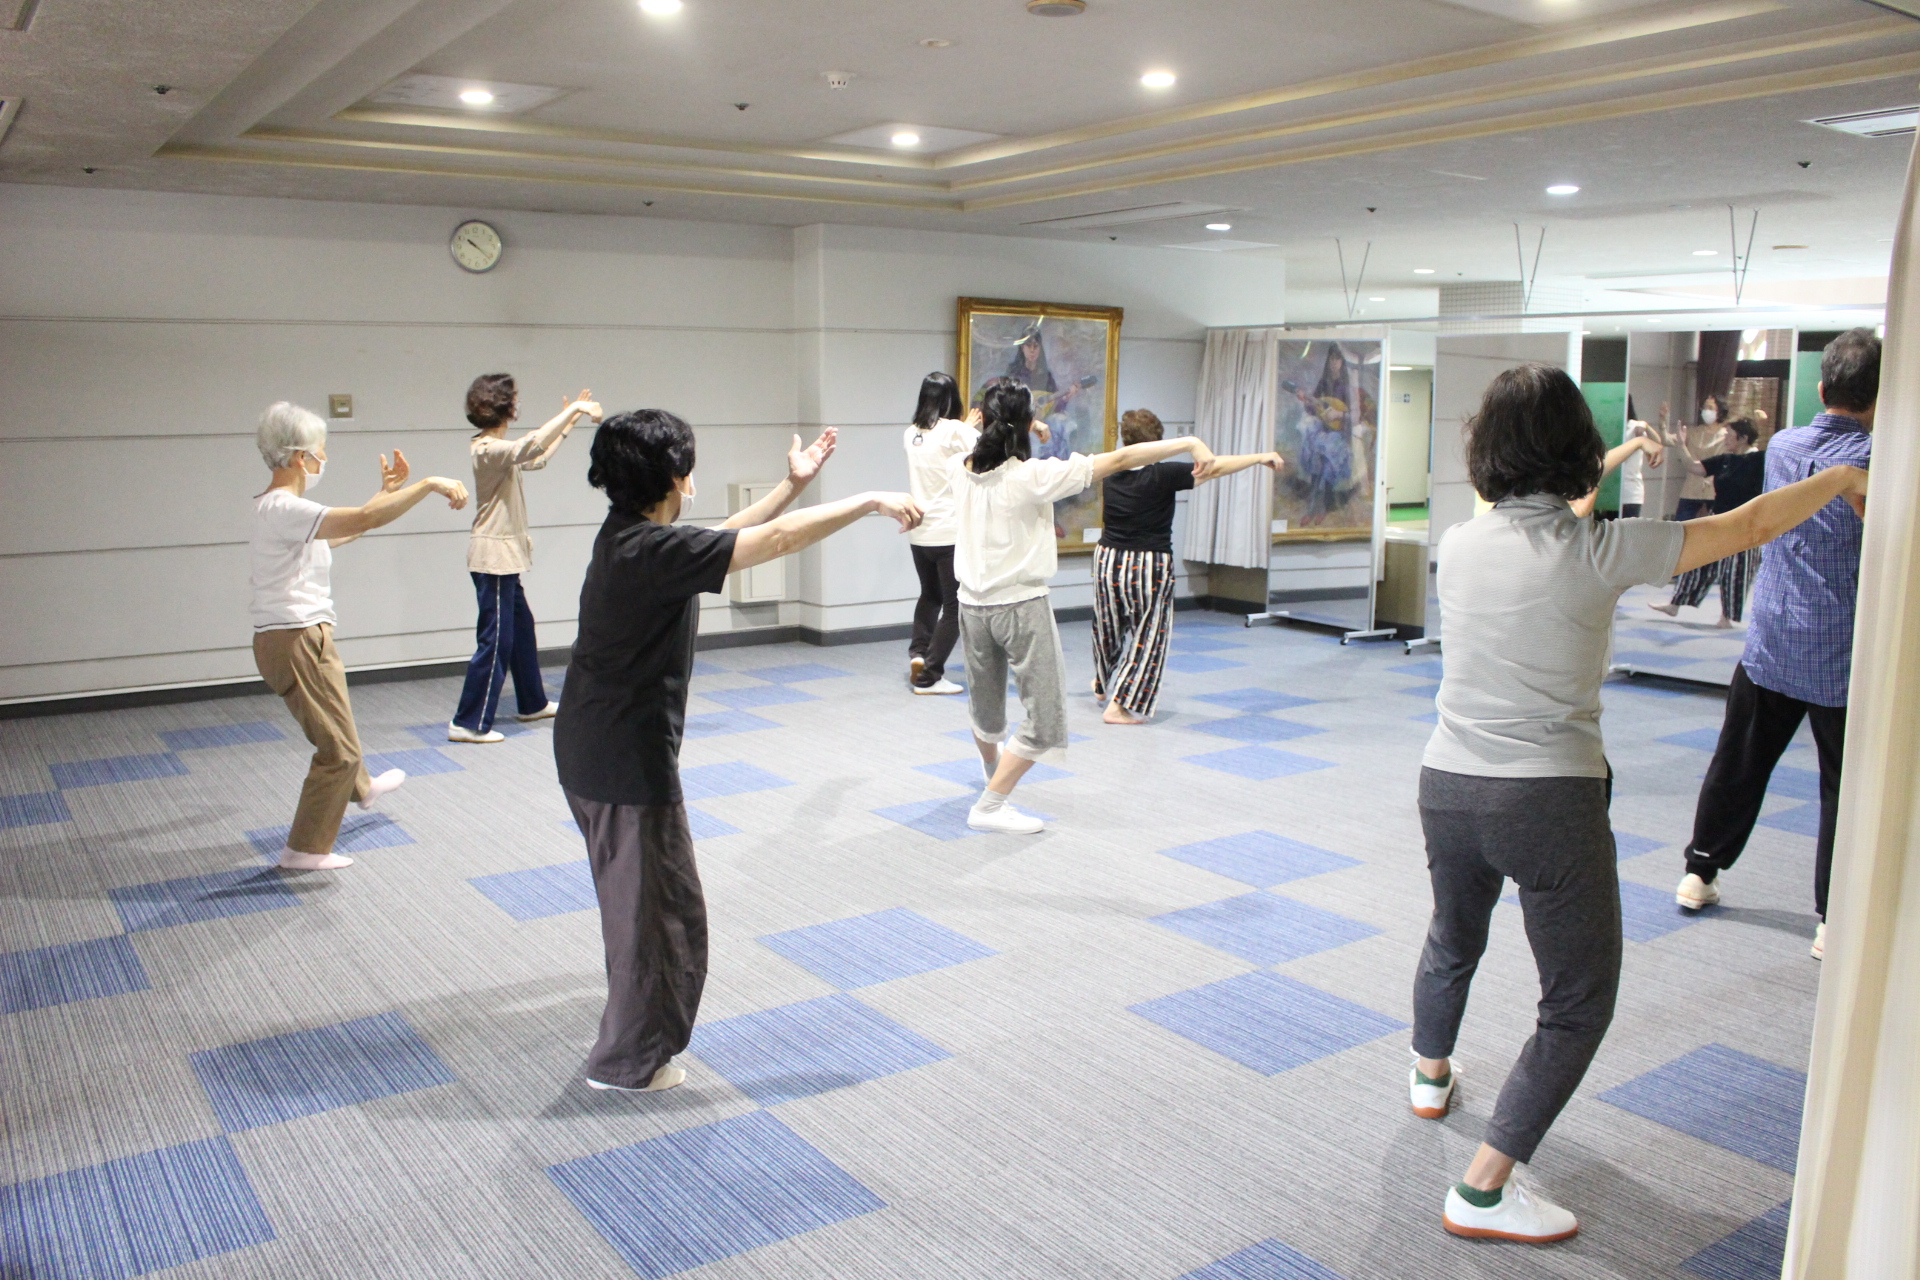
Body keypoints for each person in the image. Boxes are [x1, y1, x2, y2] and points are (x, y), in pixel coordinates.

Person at [1408, 364, 1867, 1243]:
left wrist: (1614, 458)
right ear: (1576, 448)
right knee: (1578, 1002)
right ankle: (1483, 1189)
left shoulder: (1461, 542)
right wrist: (1843, 476)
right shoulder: (1599, 550)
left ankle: (1430, 1075)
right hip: (1547, 802)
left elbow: (1553, 509)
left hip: (1446, 786)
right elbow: (1751, 524)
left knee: (1452, 936)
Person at [552, 412, 917, 1092]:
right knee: (657, 916)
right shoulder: (649, 551)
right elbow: (772, 541)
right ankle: (624, 1064)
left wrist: (791, 485)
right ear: (676, 478)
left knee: (643, 905)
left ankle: (630, 1044)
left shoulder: (633, 540)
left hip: (595, 746)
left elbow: (730, 537)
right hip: (622, 758)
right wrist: (869, 500)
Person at [1674, 329, 1879, 962]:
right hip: (1843, 649)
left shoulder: (1786, 445)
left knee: (1739, 761)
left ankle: (1699, 871)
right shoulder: (1881, 458)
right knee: (1841, 787)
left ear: (1821, 387)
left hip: (1775, 635)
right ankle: (1831, 919)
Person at [952, 381, 1214, 833]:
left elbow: (973, 431)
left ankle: (992, 778)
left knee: (986, 709)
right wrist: (1189, 441)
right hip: (1020, 607)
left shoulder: (962, 467)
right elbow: (1124, 459)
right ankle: (991, 805)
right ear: (1022, 426)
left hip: (971, 606)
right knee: (1046, 719)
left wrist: (1027, 423)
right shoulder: (1031, 476)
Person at [249, 402, 469, 871]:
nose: (323, 459)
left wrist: (383, 496)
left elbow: (344, 531)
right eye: (320, 451)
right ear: (299, 457)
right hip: (296, 638)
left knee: (340, 728)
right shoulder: (286, 507)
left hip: (299, 636)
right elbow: (365, 519)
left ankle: (363, 789)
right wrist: (427, 484)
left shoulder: (277, 510)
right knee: (337, 752)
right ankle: (304, 850)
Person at [1092, 408, 1282, 725]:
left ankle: (1101, 682)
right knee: (1149, 633)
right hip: (1148, 563)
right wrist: (1259, 457)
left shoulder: (1110, 471)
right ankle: (1120, 705)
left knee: (1107, 626)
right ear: (1158, 441)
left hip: (1108, 558)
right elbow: (1215, 468)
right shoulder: (1163, 474)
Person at [449, 375, 601, 743]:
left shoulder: (500, 451)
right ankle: (468, 723)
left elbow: (538, 457)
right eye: (514, 399)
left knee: (520, 630)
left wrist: (569, 420)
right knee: (496, 640)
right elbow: (529, 445)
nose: (518, 404)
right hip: (493, 560)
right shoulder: (487, 449)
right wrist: (574, 409)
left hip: (505, 559)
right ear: (504, 406)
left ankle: (532, 703)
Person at [901, 372, 977, 696]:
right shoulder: (955, 430)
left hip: (919, 533)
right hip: (949, 533)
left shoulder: (911, 433)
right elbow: (987, 449)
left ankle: (919, 655)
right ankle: (929, 676)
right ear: (951, 398)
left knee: (929, 595)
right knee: (955, 605)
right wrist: (969, 426)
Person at [1649, 418, 1765, 627]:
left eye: (1729, 435)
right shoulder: (1725, 460)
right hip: (1719, 519)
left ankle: (1726, 617)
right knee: (1698, 561)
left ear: (1743, 438)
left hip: (1744, 525)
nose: (1725, 439)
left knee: (1734, 572)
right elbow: (1695, 467)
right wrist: (1681, 445)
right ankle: (1675, 604)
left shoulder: (1759, 459)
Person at [1673, 394, 1730, 521]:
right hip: (1691, 488)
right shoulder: (1694, 432)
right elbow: (1668, 440)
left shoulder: (1726, 435)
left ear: (1720, 412)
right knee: (1680, 525)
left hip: (1714, 490)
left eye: (1710, 408)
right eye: (1704, 407)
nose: (1705, 411)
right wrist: (1662, 425)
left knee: (1716, 525)